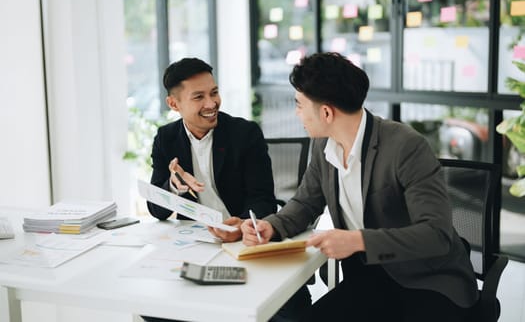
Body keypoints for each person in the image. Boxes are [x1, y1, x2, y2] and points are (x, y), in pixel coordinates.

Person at [241, 52, 479, 322]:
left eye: (299, 105)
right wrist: (272, 226)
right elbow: (306, 202)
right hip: (370, 280)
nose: (297, 113)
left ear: (326, 112)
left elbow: (436, 235)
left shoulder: (405, 146)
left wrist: (357, 240)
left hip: (426, 282)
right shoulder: (324, 145)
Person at [144, 57, 310, 322]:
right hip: (198, 248)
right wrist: (173, 188)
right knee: (154, 311)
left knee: (287, 314)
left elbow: (264, 200)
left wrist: (241, 224)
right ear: (174, 104)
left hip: (245, 244)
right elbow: (157, 210)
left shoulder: (244, 134)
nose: (211, 104)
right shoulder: (166, 138)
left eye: (214, 93)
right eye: (198, 97)